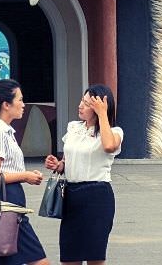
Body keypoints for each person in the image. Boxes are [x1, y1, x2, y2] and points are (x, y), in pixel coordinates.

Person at [44, 85, 122, 265]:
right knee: (69, 256)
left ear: (99, 108)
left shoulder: (115, 132)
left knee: (95, 257)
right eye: (82, 101)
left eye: (87, 104)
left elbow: (109, 146)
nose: (80, 105)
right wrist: (58, 164)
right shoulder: (74, 128)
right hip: (71, 195)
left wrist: (103, 115)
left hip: (97, 197)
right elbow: (68, 160)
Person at [0, 79, 50, 265]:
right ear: (6, 104)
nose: (23, 104)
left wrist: (25, 176)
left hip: (10, 198)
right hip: (6, 201)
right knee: (40, 261)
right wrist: (25, 175)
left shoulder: (6, 131)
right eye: (20, 99)